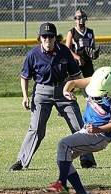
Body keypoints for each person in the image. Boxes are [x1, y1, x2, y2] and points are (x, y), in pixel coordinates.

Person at [9, 22, 89, 171]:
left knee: (78, 125)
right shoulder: (33, 54)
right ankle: (21, 161)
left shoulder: (64, 51)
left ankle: (87, 159)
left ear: (55, 38)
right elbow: (24, 77)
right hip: (41, 92)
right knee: (37, 129)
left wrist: (86, 95)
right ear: (39, 38)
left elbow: (77, 75)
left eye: (50, 36)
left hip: (63, 90)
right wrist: (25, 96)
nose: (47, 39)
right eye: (44, 36)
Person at [43, 66, 111, 194]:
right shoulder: (96, 80)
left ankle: (61, 185)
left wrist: (98, 129)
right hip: (87, 131)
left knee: (63, 145)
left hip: (100, 136)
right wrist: (66, 91)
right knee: (63, 157)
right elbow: (73, 83)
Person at [66, 9, 99, 168]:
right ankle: (65, 106)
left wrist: (93, 55)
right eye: (77, 18)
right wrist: (76, 56)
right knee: (70, 85)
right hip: (75, 65)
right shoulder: (72, 32)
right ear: (74, 20)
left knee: (90, 92)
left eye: (82, 18)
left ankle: (91, 106)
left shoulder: (90, 32)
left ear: (86, 19)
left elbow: (92, 48)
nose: (80, 20)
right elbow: (67, 49)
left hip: (88, 65)